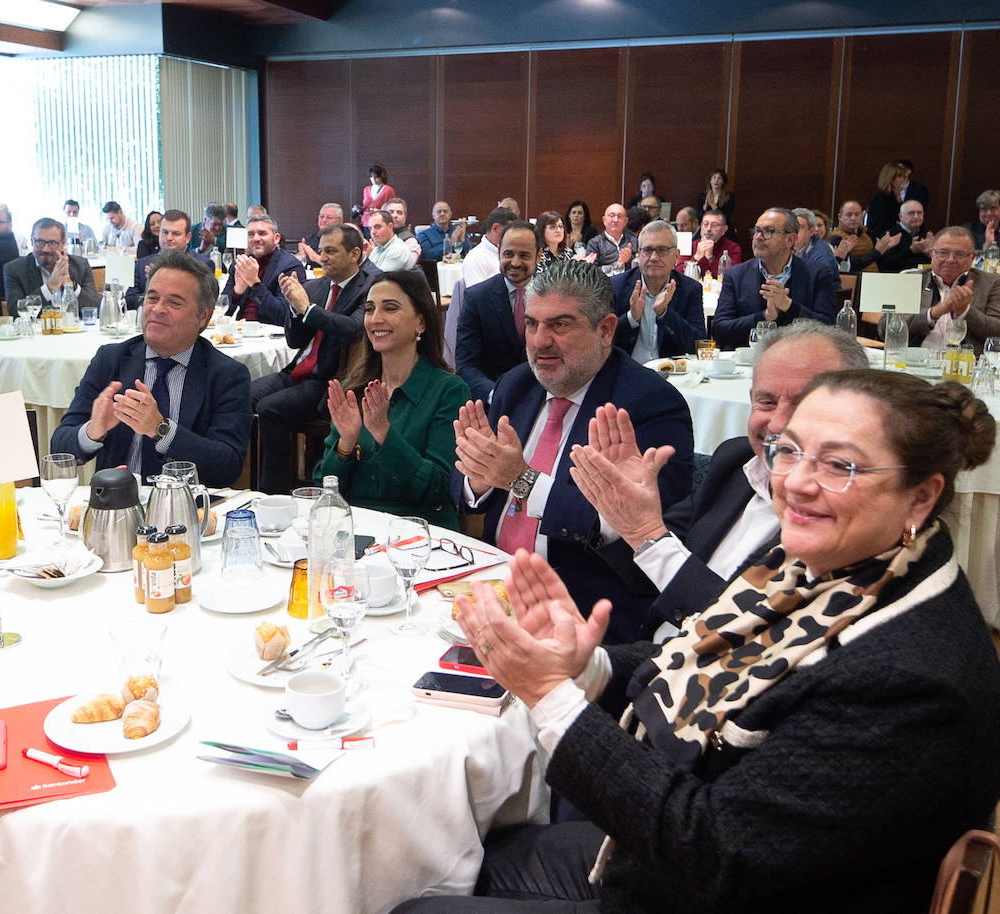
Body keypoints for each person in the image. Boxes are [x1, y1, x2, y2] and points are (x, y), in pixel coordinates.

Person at [400, 370, 1000, 914]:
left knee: (414, 905)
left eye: (839, 465)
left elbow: (715, 852)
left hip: (717, 884)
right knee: (458, 858)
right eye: (789, 452)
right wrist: (587, 666)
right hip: (685, 853)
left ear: (921, 496)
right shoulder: (848, 571)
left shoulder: (907, 681)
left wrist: (553, 697)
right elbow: (710, 653)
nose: (796, 484)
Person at [452, 259, 693, 644]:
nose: (539, 341)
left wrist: (522, 480)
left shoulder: (650, 405)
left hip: (586, 613)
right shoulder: (517, 385)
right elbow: (467, 486)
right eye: (532, 324)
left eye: (559, 325)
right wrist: (478, 480)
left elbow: (640, 531)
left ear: (605, 330)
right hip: (496, 590)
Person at [575, 323, 868, 639]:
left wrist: (647, 534)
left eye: (804, 403)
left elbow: (753, 636)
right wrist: (620, 514)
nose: (780, 422)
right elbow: (646, 573)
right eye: (766, 402)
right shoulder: (737, 460)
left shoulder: (845, 510)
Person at [49, 250, 251, 487]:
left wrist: (160, 429)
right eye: (152, 298)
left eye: (174, 302)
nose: (158, 309)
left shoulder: (227, 375)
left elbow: (226, 466)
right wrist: (94, 430)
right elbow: (60, 449)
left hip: (186, 510)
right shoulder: (111, 360)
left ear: (203, 316)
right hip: (119, 509)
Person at [315, 270, 469, 529]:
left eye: (390, 308)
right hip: (356, 529)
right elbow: (325, 486)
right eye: (370, 309)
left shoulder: (449, 391)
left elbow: (441, 488)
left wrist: (385, 435)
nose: (376, 319)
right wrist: (346, 444)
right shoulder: (353, 389)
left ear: (421, 322)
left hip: (420, 535)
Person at [253, 224, 379, 495]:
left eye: (332, 251)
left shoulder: (369, 286)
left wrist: (307, 309)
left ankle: (274, 494)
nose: (323, 258)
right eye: (322, 251)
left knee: (270, 408)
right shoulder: (315, 285)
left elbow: (353, 329)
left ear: (355, 253)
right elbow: (294, 341)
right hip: (297, 370)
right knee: (241, 394)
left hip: (330, 378)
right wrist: (295, 310)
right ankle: (244, 482)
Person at [711, 208, 837, 348]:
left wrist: (788, 306)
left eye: (768, 231)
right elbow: (719, 331)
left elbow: (828, 329)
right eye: (756, 231)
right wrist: (764, 316)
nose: (758, 237)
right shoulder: (736, 275)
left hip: (801, 358)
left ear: (790, 240)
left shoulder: (817, 273)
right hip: (748, 361)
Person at [456, 221, 540, 403]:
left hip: (544, 398)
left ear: (538, 256)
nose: (515, 263)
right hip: (494, 402)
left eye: (524, 255)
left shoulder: (553, 296)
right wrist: (497, 395)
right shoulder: (477, 297)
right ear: (499, 251)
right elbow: (466, 365)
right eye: (508, 254)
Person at [878, 225, 1000, 349]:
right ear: (932, 254)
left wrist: (965, 312)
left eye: (959, 254)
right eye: (943, 253)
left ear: (972, 257)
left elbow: (997, 332)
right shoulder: (911, 280)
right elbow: (885, 329)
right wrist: (934, 313)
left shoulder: (992, 283)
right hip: (913, 361)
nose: (950, 260)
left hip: (967, 363)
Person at [610, 220, 704, 362]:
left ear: (677, 256)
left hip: (672, 374)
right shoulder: (617, 285)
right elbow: (601, 340)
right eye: (647, 250)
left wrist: (665, 314)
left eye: (662, 250)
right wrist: (631, 318)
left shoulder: (689, 289)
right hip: (628, 371)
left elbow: (697, 344)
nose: (654, 257)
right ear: (639, 254)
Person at [3, 217, 100, 317]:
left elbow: (95, 309)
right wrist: (49, 287)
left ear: (63, 243)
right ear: (32, 241)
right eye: (40, 242)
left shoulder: (80, 266)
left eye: (52, 243)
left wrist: (70, 286)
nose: (46, 249)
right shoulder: (14, 269)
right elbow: (15, 312)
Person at [222, 214, 306, 322]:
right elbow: (222, 309)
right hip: (239, 330)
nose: (256, 238)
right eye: (250, 234)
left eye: (262, 233)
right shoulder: (240, 264)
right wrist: (237, 290)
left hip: (273, 334)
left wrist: (255, 283)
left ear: (276, 239)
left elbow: (283, 315)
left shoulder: (290, 266)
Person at [125, 210, 201, 310]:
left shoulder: (201, 264)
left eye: (175, 233)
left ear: (188, 237)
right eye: (165, 232)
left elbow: (200, 302)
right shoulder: (141, 264)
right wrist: (150, 296)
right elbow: (129, 300)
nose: (169, 238)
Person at [828, 199, 901, 274]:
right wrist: (877, 252)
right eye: (849, 215)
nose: (853, 218)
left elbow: (875, 258)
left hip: (874, 275)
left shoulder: (866, 234)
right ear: (840, 217)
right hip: (856, 279)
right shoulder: (836, 237)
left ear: (861, 215)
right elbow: (850, 265)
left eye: (857, 214)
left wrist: (885, 248)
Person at [462, 207, 516, 288]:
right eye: (509, 232)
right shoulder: (475, 258)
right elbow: (477, 296)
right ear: (495, 228)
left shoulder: (512, 254)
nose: (512, 237)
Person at [873, 199, 932, 273]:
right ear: (901, 217)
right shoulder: (890, 235)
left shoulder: (926, 234)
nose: (916, 216)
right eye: (911, 213)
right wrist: (910, 251)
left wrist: (930, 255)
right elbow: (884, 264)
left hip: (922, 277)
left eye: (919, 213)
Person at [791, 207, 841, 293]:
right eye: (791, 227)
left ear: (811, 231)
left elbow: (812, 287)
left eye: (799, 228)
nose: (793, 232)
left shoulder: (822, 256)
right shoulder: (791, 247)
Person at [688, 209, 742, 278]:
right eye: (705, 224)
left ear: (724, 229)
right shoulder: (691, 245)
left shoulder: (733, 248)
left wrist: (711, 258)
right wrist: (696, 257)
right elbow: (680, 273)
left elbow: (732, 277)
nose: (708, 229)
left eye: (714, 225)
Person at [585, 204, 636, 274]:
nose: (615, 220)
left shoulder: (634, 241)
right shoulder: (595, 243)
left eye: (619, 216)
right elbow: (591, 271)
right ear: (604, 220)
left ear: (626, 221)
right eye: (612, 216)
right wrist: (619, 264)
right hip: (605, 283)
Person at [865, 160, 909, 235]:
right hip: (881, 236)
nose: (902, 180)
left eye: (903, 177)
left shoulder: (895, 195)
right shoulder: (881, 197)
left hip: (891, 234)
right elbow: (882, 223)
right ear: (890, 178)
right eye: (899, 177)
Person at [383, 198, 423, 263]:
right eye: (391, 212)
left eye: (399, 213)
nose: (395, 215)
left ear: (405, 217)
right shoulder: (377, 236)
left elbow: (407, 265)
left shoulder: (410, 241)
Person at [358, 163, 394, 234]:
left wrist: (380, 210)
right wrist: (359, 209)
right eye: (371, 177)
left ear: (381, 176)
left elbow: (391, 208)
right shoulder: (366, 189)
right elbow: (365, 206)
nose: (373, 179)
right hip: (366, 222)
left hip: (380, 221)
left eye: (376, 177)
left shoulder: (388, 190)